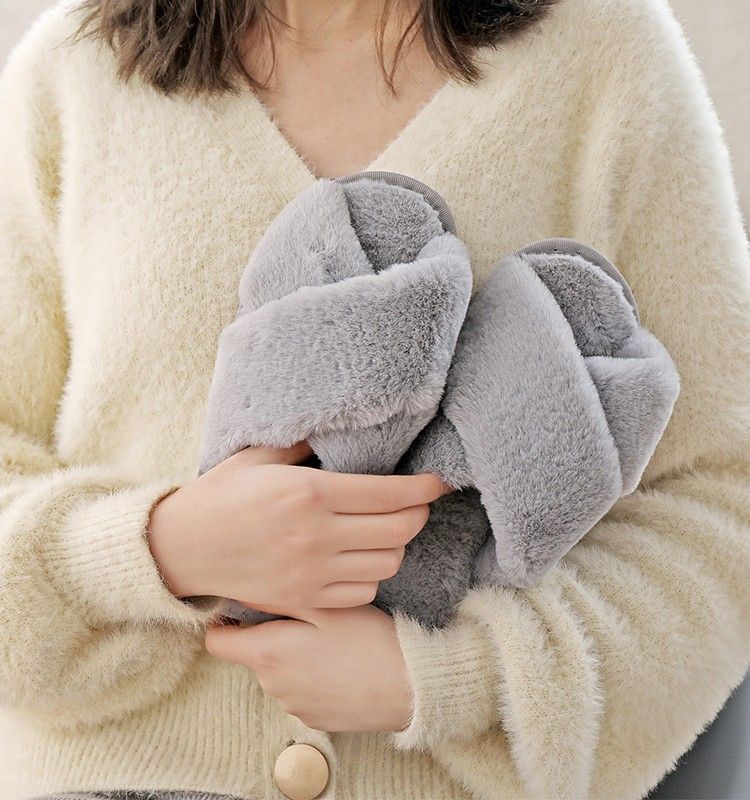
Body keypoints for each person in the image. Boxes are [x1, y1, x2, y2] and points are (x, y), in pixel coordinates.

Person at [0, 0, 748, 798]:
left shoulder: (610, 57)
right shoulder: (71, 74)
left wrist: (451, 679)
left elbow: (724, 502)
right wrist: (164, 547)